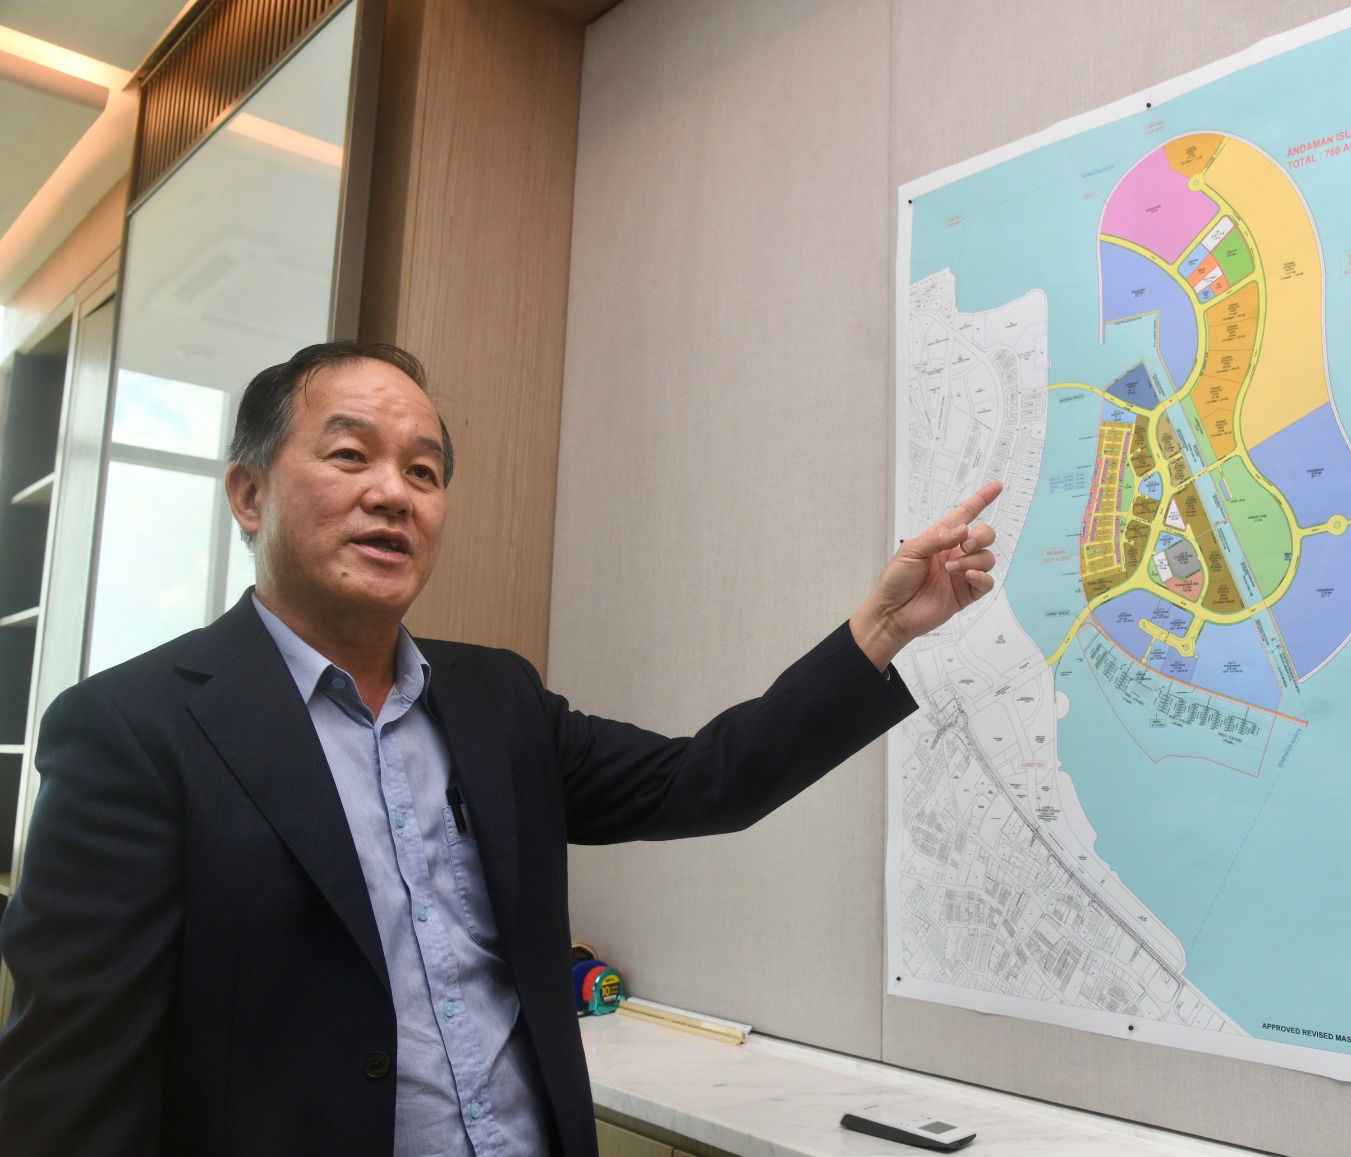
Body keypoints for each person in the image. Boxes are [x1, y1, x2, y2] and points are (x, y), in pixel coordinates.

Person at [0, 341, 1001, 1157]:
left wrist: (882, 627)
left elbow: (709, 779)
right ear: (249, 494)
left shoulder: (498, 701)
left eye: (424, 471)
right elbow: (71, 1086)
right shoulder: (133, 729)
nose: (394, 493)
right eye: (349, 455)